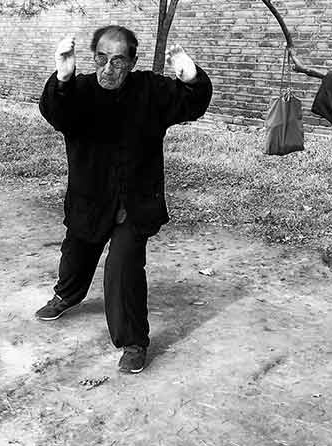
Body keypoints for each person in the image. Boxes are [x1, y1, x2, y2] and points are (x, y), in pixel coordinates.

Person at [37, 24, 213, 374]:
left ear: (132, 62)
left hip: (136, 201)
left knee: (123, 268)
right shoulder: (78, 91)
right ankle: (67, 295)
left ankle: (133, 342)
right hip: (90, 196)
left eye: (118, 61)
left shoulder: (150, 90)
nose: (108, 69)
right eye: (101, 58)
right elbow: (55, 112)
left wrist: (192, 78)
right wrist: (63, 76)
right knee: (77, 251)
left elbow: (193, 103)